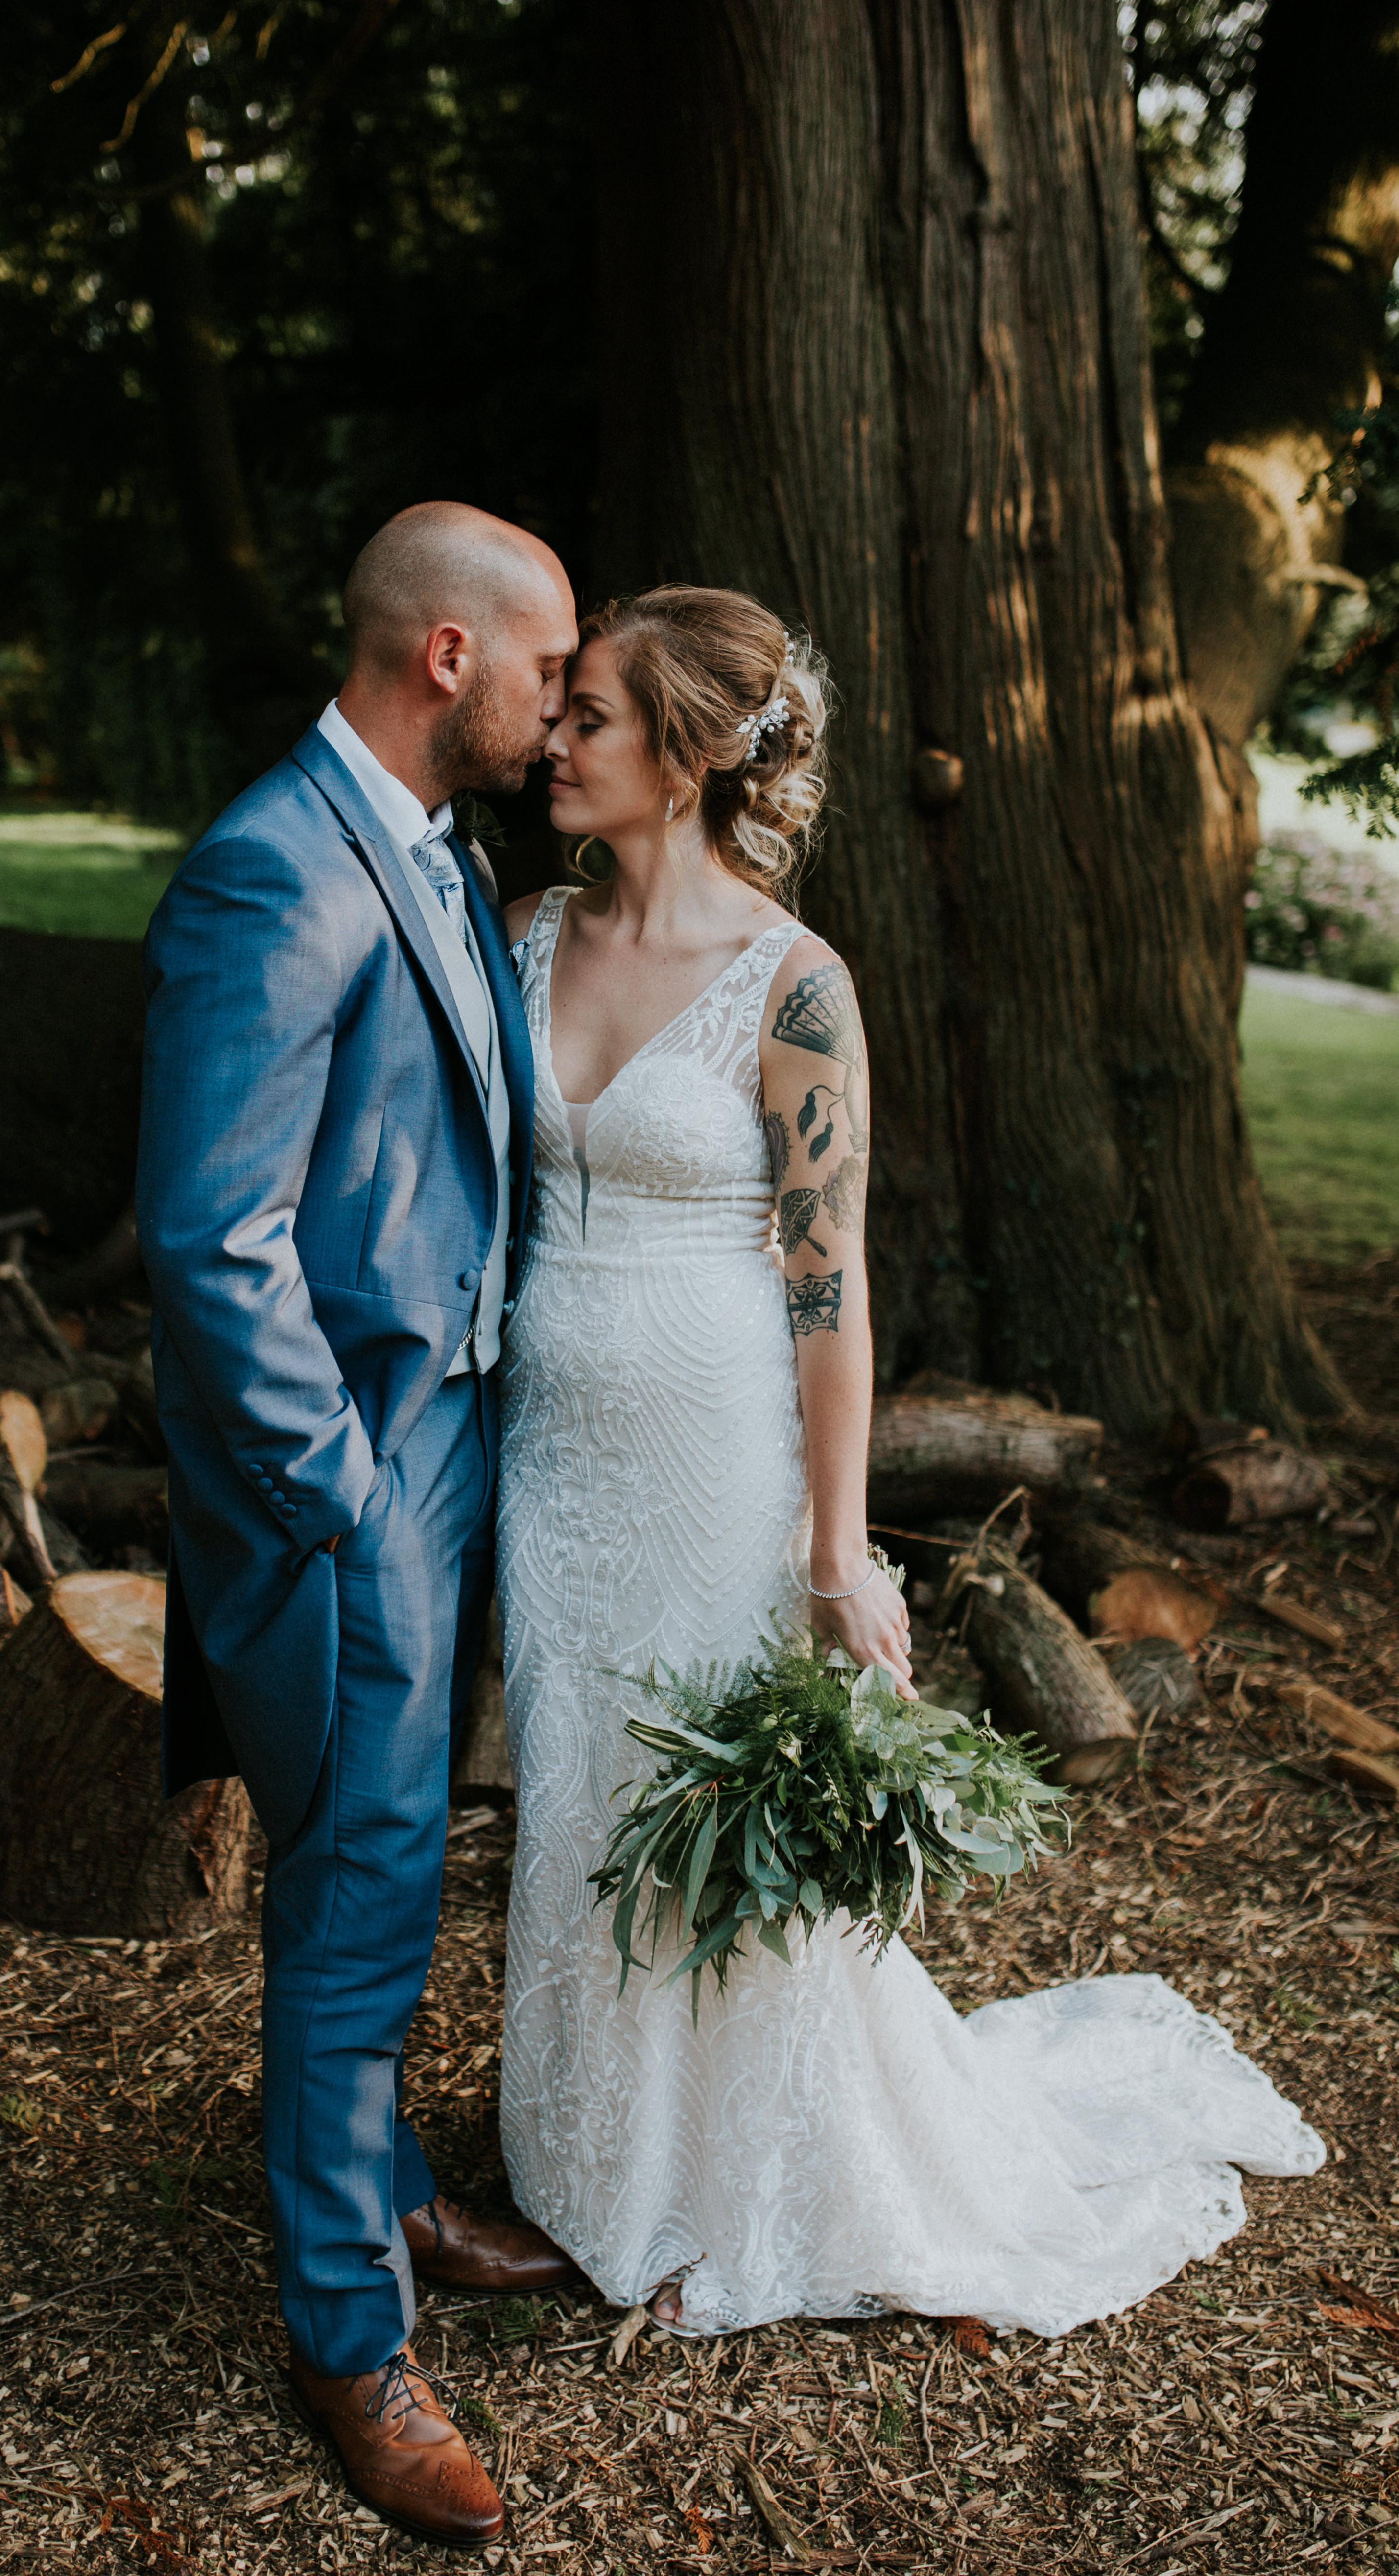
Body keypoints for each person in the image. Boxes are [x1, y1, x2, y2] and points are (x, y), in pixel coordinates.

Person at [495, 583, 1323, 2341]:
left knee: (695, 1792)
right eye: (556, 710)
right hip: (545, 1456)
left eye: (587, 715)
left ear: (693, 754)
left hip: (713, 1453)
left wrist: (832, 1546)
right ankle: (581, 2158)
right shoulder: (516, 935)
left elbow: (826, 1285)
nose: (548, 738)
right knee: (576, 1782)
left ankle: (747, 2170)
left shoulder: (793, 990)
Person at [137, 502, 580, 2549]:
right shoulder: (267, 864)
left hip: (446, 1443)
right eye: (550, 655)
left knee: (390, 1874)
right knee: (354, 1887)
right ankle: (345, 2327)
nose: (569, 695)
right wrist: (335, 1496)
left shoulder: (444, 855)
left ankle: (388, 2177)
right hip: (349, 1486)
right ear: (445, 659)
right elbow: (212, 1239)